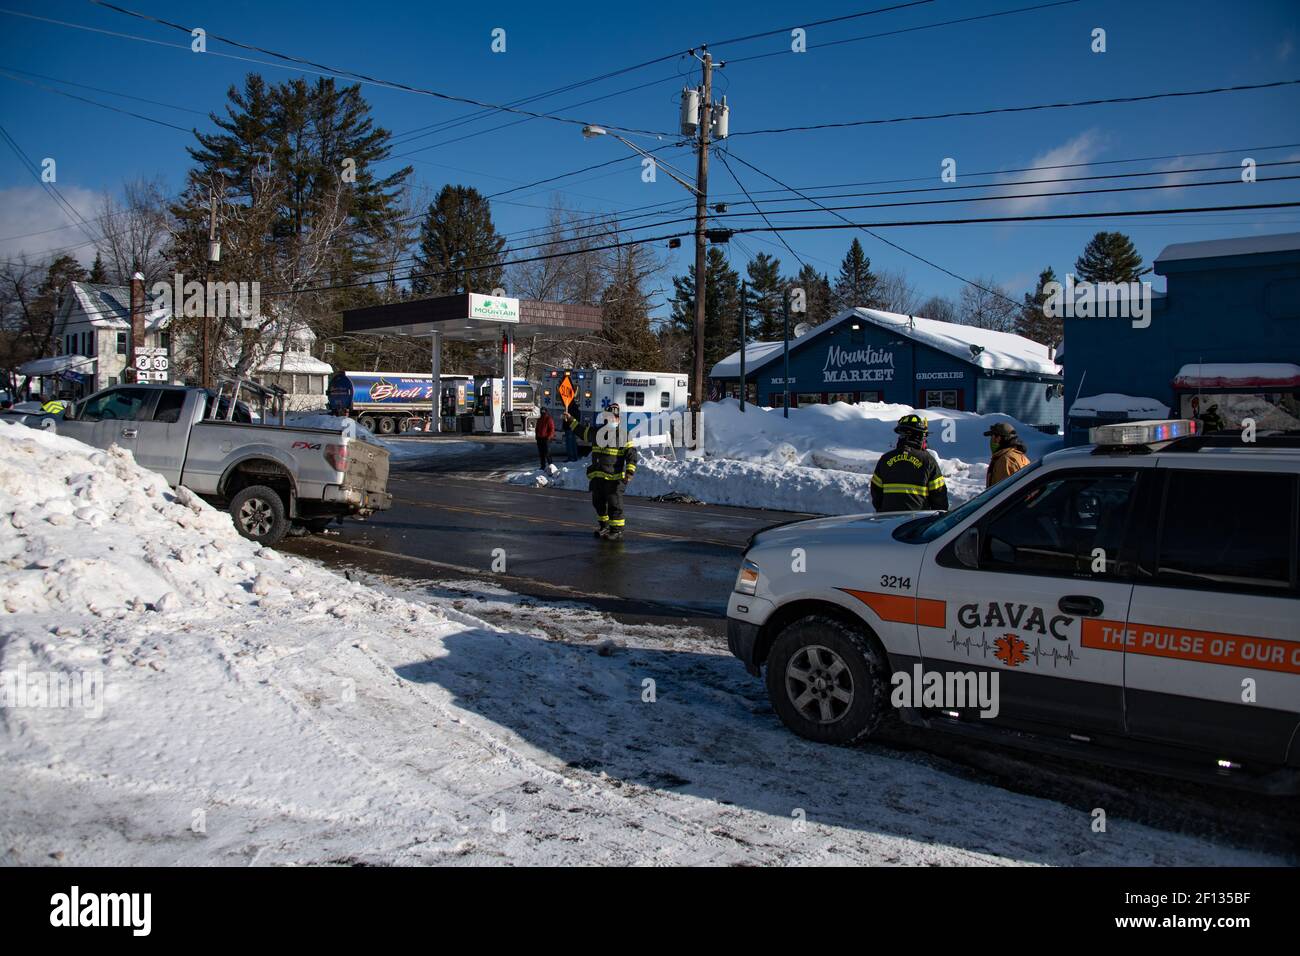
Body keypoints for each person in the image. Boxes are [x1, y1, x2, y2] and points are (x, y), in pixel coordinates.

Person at [564, 403, 637, 540]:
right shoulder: (597, 433)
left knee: (615, 504)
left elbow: (632, 455)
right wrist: (570, 420)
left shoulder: (623, 436)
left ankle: (616, 530)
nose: (611, 420)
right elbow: (582, 431)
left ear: (618, 419)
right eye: (609, 417)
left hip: (614, 479)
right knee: (598, 503)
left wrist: (629, 472)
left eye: (614, 418)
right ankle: (604, 526)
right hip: (598, 477)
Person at [870, 414, 948, 512]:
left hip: (888, 520)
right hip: (918, 522)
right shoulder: (928, 461)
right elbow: (939, 496)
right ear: (918, 436)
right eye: (924, 437)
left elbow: (876, 493)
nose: (925, 441)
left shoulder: (885, 459)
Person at [985, 422, 1029, 488]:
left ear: (1000, 438)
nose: (992, 441)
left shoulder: (1006, 460)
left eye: (993, 437)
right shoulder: (1014, 454)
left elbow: (1005, 491)